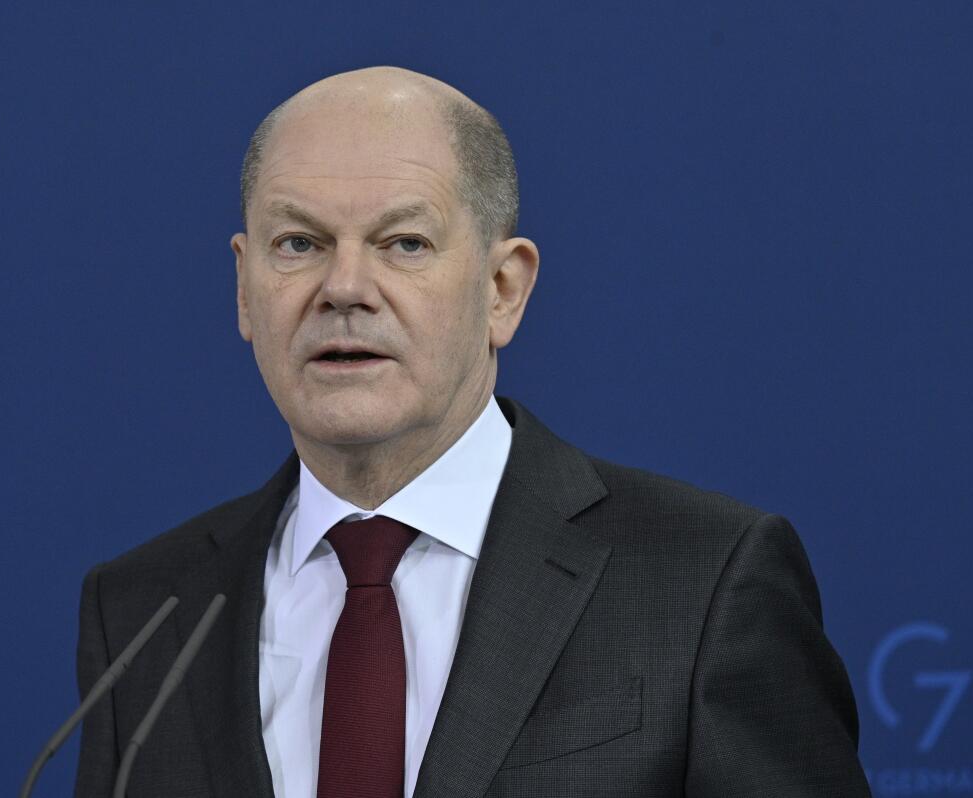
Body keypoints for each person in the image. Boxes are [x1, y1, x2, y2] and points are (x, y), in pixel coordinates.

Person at [73, 66, 871, 797]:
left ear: (503, 289)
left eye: (404, 243)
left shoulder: (704, 582)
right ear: (245, 290)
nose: (344, 287)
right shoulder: (146, 614)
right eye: (299, 244)